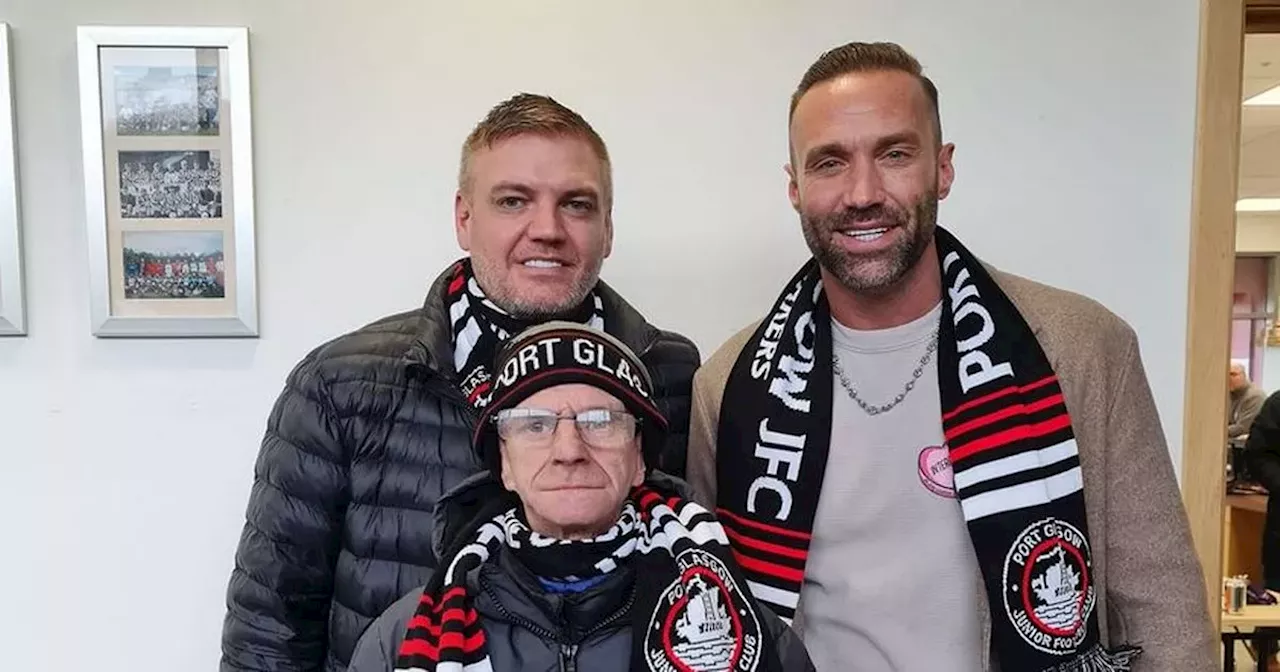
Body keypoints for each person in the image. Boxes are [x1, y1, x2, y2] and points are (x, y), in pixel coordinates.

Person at [685, 41, 1217, 671]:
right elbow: (709, 607)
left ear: (942, 168)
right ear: (795, 187)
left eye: (894, 154)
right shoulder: (731, 385)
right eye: (829, 163)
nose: (862, 192)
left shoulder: (1084, 349)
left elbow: (1165, 614)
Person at [219, 93, 702, 672]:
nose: (546, 229)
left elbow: (698, 574)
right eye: (513, 200)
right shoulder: (341, 386)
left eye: (576, 204)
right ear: (464, 218)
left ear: (607, 229)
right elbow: (269, 634)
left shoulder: (668, 372)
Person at [347, 322, 814, 671]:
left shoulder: (755, 635)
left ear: (639, 460)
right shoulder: (403, 640)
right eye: (534, 424)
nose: (569, 450)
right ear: (504, 466)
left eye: (600, 422)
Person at [1231, 362, 1267, 440]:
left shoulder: (1255, 395)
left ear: (1244, 375)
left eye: (1233, 374)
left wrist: (1216, 430)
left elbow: (1243, 428)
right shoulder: (1229, 394)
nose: (1229, 378)